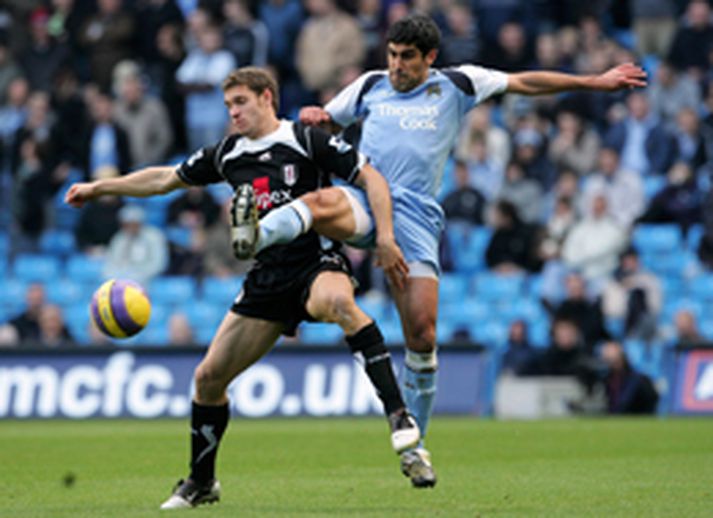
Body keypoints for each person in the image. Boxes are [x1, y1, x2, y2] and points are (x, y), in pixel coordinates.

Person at [231, 14, 647, 487]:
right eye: (391, 55)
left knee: (423, 336)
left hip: (415, 217)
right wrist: (316, 114)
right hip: (367, 199)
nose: (396, 66)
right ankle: (256, 234)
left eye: (407, 57)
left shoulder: (457, 84)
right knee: (321, 200)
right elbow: (326, 118)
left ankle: (415, 448)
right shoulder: (369, 86)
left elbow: (524, 81)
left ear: (429, 57)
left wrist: (593, 82)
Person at [64, 67, 420, 509]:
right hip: (267, 279)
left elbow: (372, 180)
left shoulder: (306, 139)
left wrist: (384, 237)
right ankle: (201, 482)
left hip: (315, 260)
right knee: (208, 379)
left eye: (241, 102)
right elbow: (164, 179)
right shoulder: (227, 155)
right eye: (228, 105)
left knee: (338, 302)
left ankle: (398, 414)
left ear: (266, 98)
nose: (233, 112)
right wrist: (100, 188)